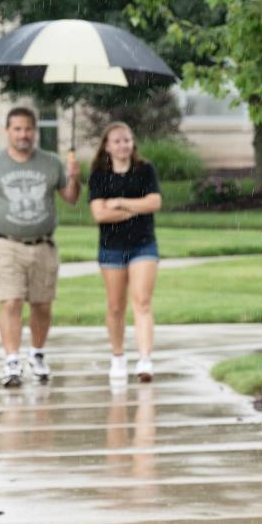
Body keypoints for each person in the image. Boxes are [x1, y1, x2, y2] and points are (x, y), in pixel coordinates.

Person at [0, 106, 80, 387]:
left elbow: (71, 198)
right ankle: (12, 361)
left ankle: (37, 354)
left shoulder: (50, 163)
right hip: (7, 244)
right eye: (17, 129)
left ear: (35, 132)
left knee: (42, 305)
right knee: (11, 301)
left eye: (28, 129)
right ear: (7, 131)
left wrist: (74, 176)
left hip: (44, 246)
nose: (23, 134)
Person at [88, 122, 162, 383]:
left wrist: (120, 203)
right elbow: (99, 213)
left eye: (127, 140)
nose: (123, 145)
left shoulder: (145, 170)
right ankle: (118, 356)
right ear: (107, 146)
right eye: (117, 141)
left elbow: (154, 202)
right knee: (115, 305)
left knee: (141, 301)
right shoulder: (99, 174)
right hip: (112, 248)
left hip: (143, 244)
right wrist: (134, 210)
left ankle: (144, 359)